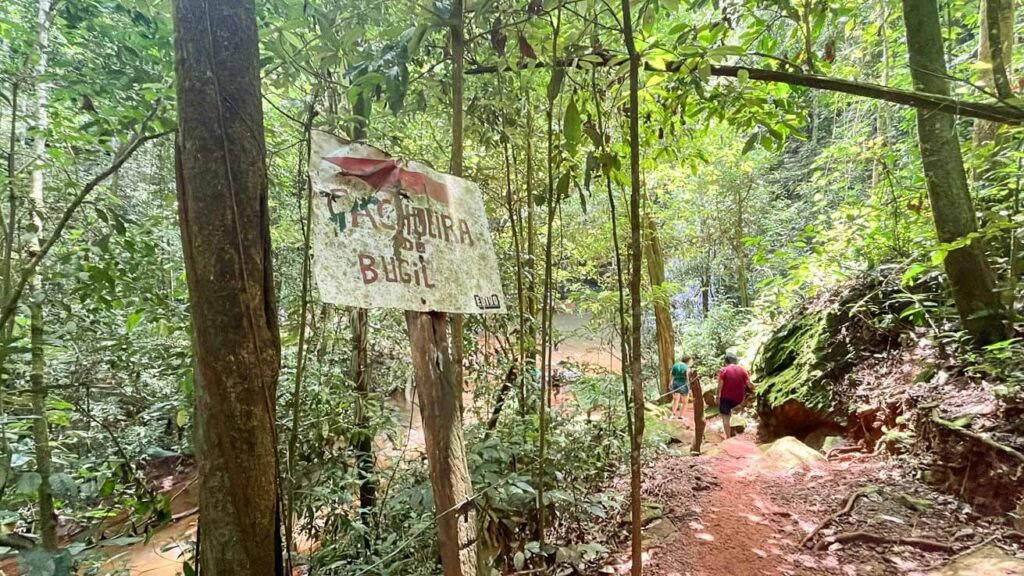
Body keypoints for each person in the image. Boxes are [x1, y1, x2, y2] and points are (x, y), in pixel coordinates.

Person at [717, 353, 754, 439]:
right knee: (732, 411)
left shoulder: (724, 370)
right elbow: (749, 384)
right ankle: (734, 427)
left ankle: (728, 436)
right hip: (738, 399)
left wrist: (717, 396)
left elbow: (720, 385)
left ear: (726, 361)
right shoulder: (742, 370)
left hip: (725, 397)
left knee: (725, 417)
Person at [670, 355, 692, 422]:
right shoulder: (686, 367)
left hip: (675, 383)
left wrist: (670, 383)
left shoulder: (675, 365)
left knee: (675, 399)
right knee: (685, 402)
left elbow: (671, 374)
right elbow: (687, 376)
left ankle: (673, 414)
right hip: (683, 383)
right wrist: (689, 386)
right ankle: (680, 416)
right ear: (688, 360)